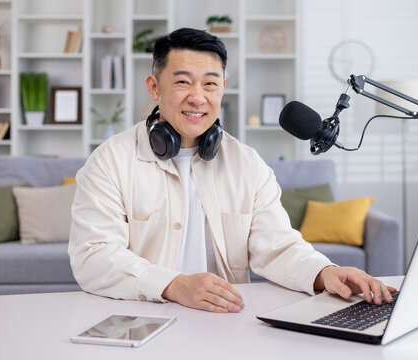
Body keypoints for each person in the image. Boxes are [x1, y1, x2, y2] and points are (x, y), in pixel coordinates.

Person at [68, 28, 395, 314]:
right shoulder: (109, 160)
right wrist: (174, 285)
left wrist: (325, 273)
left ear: (222, 88)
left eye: (210, 84)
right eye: (183, 82)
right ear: (154, 87)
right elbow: (93, 257)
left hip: (224, 322)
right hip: (142, 319)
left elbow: (277, 246)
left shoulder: (247, 164)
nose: (198, 97)